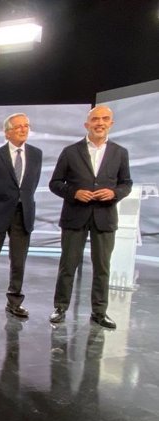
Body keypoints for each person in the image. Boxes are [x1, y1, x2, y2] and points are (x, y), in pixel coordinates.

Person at [48, 105, 132, 329]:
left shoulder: (120, 152)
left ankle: (99, 312)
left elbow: (127, 184)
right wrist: (74, 193)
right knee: (68, 265)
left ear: (111, 124)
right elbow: (55, 183)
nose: (100, 123)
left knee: (102, 268)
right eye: (95, 119)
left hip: (104, 217)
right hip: (75, 216)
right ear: (87, 124)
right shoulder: (70, 151)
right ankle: (60, 307)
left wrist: (114, 193)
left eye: (105, 119)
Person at [0, 113, 42, 319]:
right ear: (7, 133)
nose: (24, 129)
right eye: (18, 127)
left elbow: (31, 185)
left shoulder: (36, 154)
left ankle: (14, 302)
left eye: (26, 126)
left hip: (24, 214)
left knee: (18, 261)